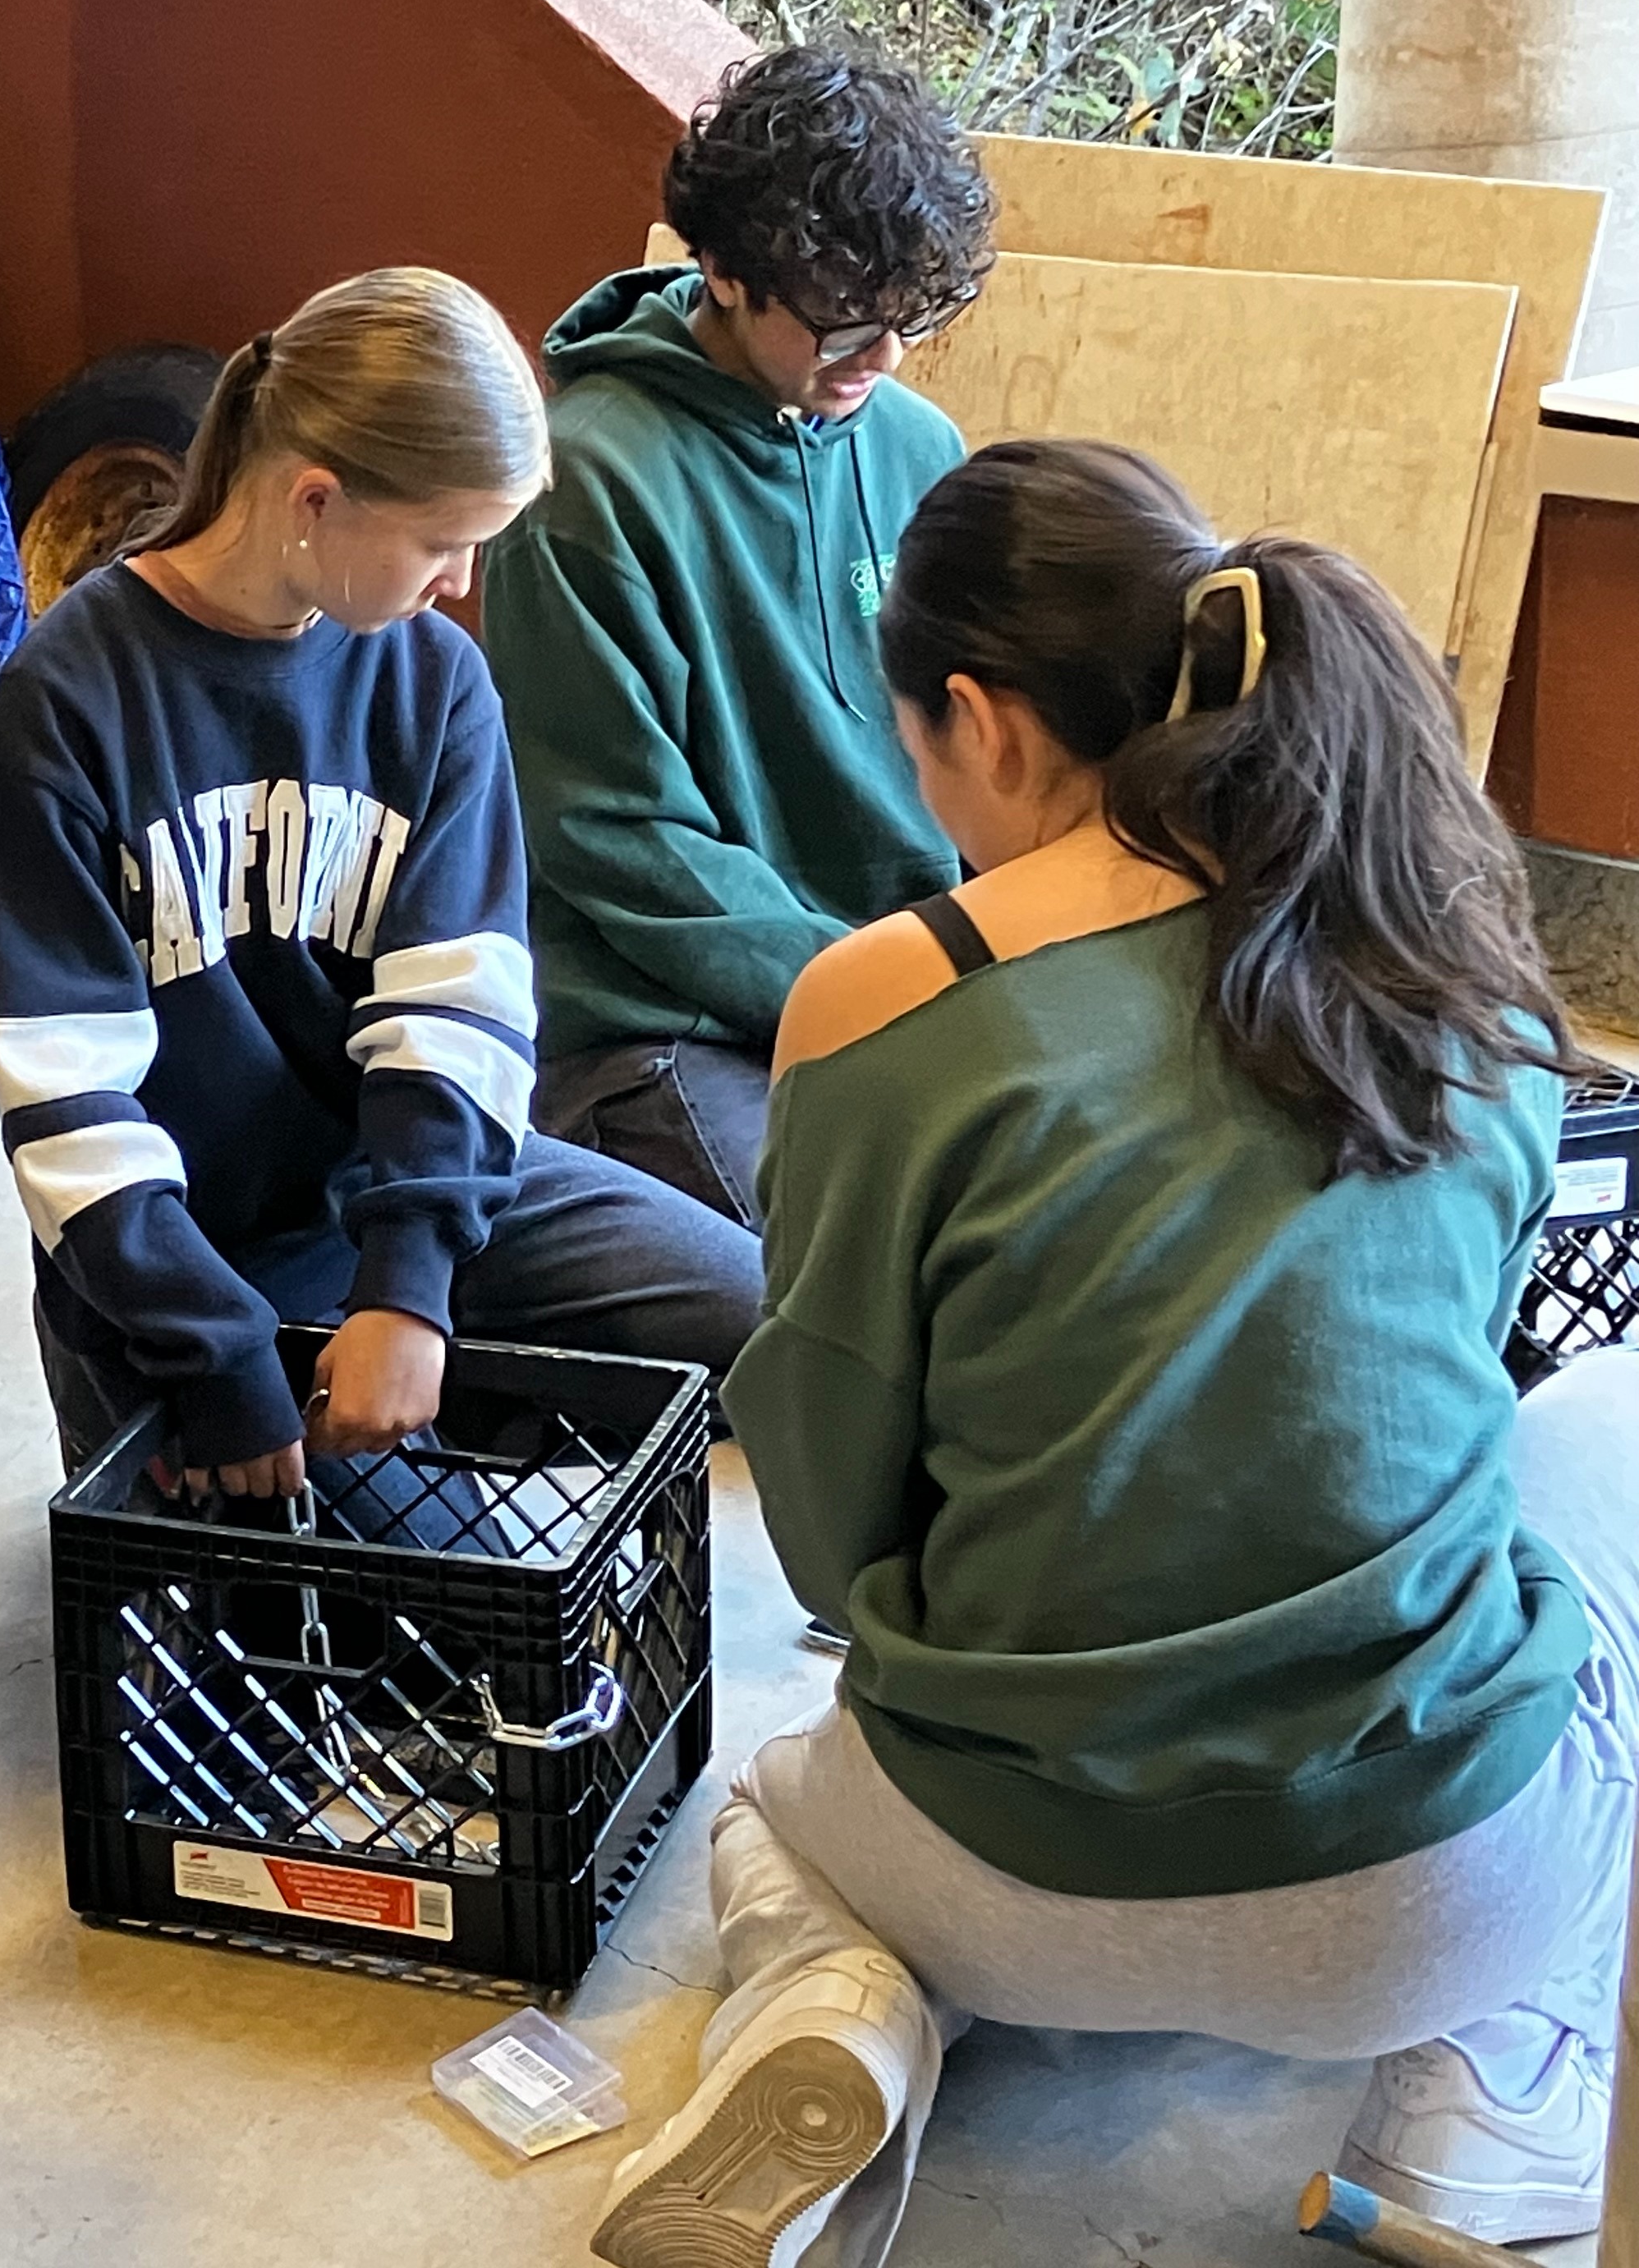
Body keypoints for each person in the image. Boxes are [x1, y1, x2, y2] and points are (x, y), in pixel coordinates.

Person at [590, 439, 1637, 2268]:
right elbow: (1456, 1408)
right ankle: (1482, 2091)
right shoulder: (1459, 977)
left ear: (983, 723)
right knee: (1591, 1497)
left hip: (1005, 1878)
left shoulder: (891, 995)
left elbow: (828, 1532)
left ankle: (843, 2001)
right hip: (1426, 1892)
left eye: (914, 749)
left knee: (771, 1811)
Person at [0, 266, 759, 1515]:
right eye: (443, 543)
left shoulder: (436, 683)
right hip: (187, 1262)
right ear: (315, 500)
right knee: (415, 1606)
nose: (461, 582)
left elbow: (460, 1011)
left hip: (404, 1188)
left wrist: (409, 1286)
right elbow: (68, 1102)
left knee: (778, 1328)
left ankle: (433, 1417)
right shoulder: (66, 701)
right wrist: (214, 1351)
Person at [480, 43, 996, 1227]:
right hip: (667, 1030)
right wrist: (883, 990)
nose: (883, 358)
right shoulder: (586, 487)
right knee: (849, 1263)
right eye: (843, 323)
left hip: (910, 991)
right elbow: (619, 840)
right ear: (721, 271)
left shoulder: (919, 448)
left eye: (907, 318)